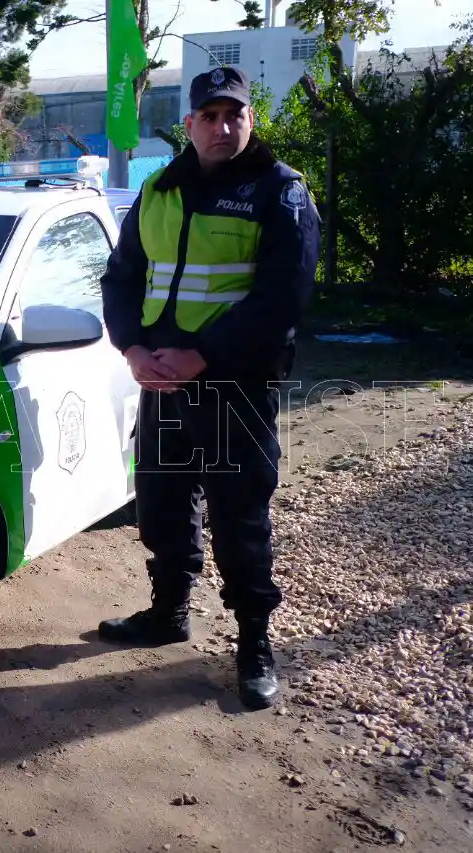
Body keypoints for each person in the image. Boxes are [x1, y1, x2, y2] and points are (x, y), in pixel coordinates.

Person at [97, 65, 320, 711]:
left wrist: (203, 355)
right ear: (189, 124)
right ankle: (169, 610)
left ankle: (254, 645)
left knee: (238, 517)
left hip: (234, 388)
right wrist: (134, 347)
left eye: (235, 116)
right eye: (211, 116)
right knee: (163, 503)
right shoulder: (160, 191)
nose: (223, 127)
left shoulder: (281, 193)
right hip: (162, 380)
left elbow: (283, 298)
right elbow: (122, 276)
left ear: (250, 121)